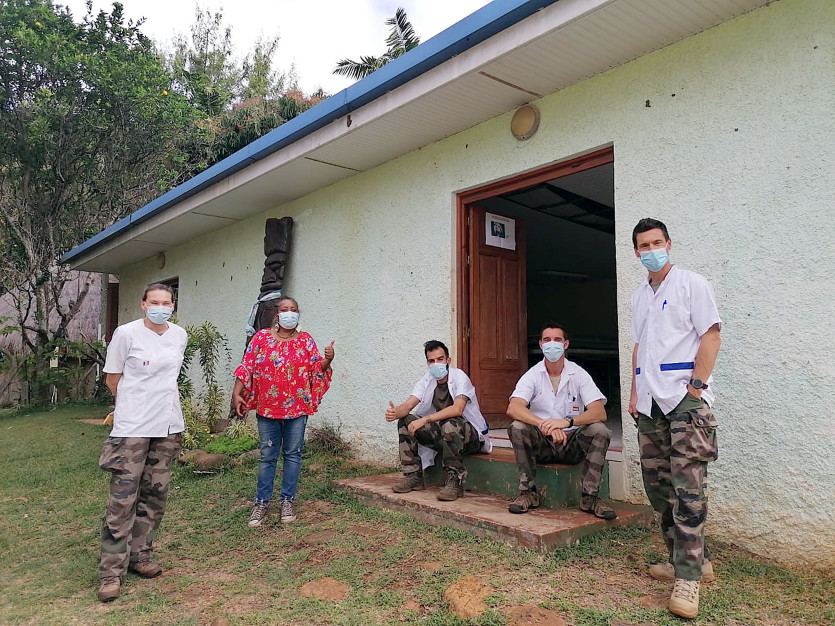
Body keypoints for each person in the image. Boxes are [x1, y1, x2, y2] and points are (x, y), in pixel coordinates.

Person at [629, 218, 722, 619]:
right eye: (644, 245)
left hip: (685, 403)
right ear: (636, 252)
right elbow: (639, 346)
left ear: (668, 244)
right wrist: (634, 393)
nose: (651, 250)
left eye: (657, 243)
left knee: (688, 492)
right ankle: (686, 560)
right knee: (658, 487)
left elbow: (711, 335)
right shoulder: (639, 296)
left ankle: (688, 579)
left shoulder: (691, 284)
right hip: (650, 405)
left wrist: (696, 387)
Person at [97, 283, 188, 602]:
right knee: (123, 498)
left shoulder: (179, 335)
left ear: (173, 306)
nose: (160, 307)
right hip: (133, 427)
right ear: (143, 304)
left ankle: (141, 555)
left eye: (166, 303)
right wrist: (131, 405)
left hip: (168, 424)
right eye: (154, 302)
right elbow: (113, 379)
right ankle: (111, 570)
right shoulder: (126, 334)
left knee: (155, 493)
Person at [232, 296, 333, 528]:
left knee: (293, 454)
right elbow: (247, 366)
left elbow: (316, 369)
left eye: (293, 309)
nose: (289, 313)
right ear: (277, 315)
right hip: (268, 408)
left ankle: (287, 501)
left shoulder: (306, 341)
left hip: (297, 409)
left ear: (298, 313)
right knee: (268, 456)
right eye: (285, 309)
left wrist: (328, 359)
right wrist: (236, 393)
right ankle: (261, 503)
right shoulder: (261, 338)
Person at [506, 322, 616, 520]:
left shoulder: (578, 374)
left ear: (565, 344)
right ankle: (527, 493)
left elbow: (599, 412)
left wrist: (567, 422)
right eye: (547, 340)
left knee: (600, 430)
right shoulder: (533, 375)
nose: (552, 344)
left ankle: (590, 497)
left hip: (572, 444)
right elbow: (514, 407)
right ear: (541, 345)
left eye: (557, 340)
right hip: (543, 444)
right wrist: (544, 424)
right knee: (517, 427)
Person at [385, 340, 492, 501]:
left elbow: (457, 409)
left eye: (440, 359)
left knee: (450, 423)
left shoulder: (459, 377)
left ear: (448, 360)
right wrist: (395, 413)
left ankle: (455, 481)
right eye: (431, 361)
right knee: (406, 420)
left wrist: (426, 419)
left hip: (470, 437)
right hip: (444, 435)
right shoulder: (427, 379)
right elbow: (409, 405)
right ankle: (413, 476)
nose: (436, 364)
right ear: (427, 363)